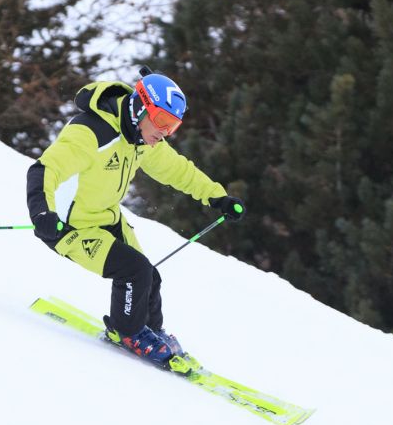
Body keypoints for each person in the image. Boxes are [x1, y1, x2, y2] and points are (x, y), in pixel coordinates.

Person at [26, 67, 245, 373]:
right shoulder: (90, 133)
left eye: (173, 126)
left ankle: (150, 332)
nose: (165, 133)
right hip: (67, 227)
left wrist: (216, 197)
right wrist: (41, 214)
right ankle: (126, 332)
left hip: (106, 218)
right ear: (140, 107)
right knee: (134, 271)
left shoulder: (142, 138)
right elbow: (43, 171)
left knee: (149, 277)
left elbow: (178, 170)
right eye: (162, 122)